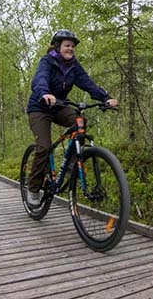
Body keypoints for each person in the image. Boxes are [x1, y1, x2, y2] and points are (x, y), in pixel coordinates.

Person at [25, 29, 118, 207]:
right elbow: (40, 79)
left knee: (80, 121)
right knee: (43, 146)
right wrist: (44, 93)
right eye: (67, 45)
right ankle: (33, 187)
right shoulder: (47, 62)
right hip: (40, 107)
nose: (71, 49)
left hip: (59, 105)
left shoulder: (74, 66)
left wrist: (105, 98)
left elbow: (88, 84)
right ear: (58, 46)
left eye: (73, 46)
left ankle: (71, 164)